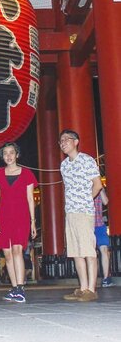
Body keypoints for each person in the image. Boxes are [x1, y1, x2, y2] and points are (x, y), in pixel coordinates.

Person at [59, 129, 103, 302]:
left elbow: (98, 185)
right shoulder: (64, 165)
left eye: (66, 140)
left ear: (76, 142)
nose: (63, 143)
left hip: (84, 211)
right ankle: (83, 288)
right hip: (70, 212)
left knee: (88, 251)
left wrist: (85, 200)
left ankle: (92, 289)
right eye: (61, 141)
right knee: (76, 252)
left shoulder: (86, 160)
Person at [0, 142, 38, 303]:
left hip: (21, 216)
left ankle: (20, 287)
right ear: (2, 156)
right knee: (7, 254)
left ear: (17, 155)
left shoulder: (27, 174)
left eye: (12, 152)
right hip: (4, 217)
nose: (9, 156)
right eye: (5, 153)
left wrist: (33, 222)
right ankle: (14, 287)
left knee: (18, 250)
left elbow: (31, 199)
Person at [94, 188, 115, 287]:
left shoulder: (98, 188)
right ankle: (91, 280)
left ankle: (106, 278)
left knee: (104, 249)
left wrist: (101, 189)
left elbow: (106, 201)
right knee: (90, 253)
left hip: (99, 224)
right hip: (87, 225)